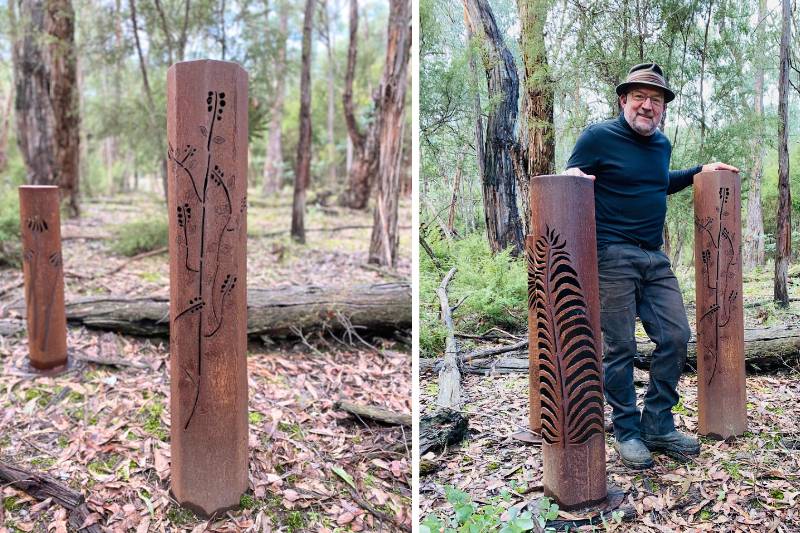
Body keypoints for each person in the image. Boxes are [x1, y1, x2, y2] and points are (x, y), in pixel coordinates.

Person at [564, 62, 739, 469]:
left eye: (655, 100)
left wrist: (698, 171)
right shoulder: (597, 137)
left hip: (654, 256)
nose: (647, 105)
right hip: (611, 255)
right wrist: (572, 175)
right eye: (640, 97)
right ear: (623, 100)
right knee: (620, 346)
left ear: (662, 108)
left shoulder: (660, 144)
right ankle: (626, 430)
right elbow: (572, 178)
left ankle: (658, 421)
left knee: (676, 335)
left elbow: (658, 181)